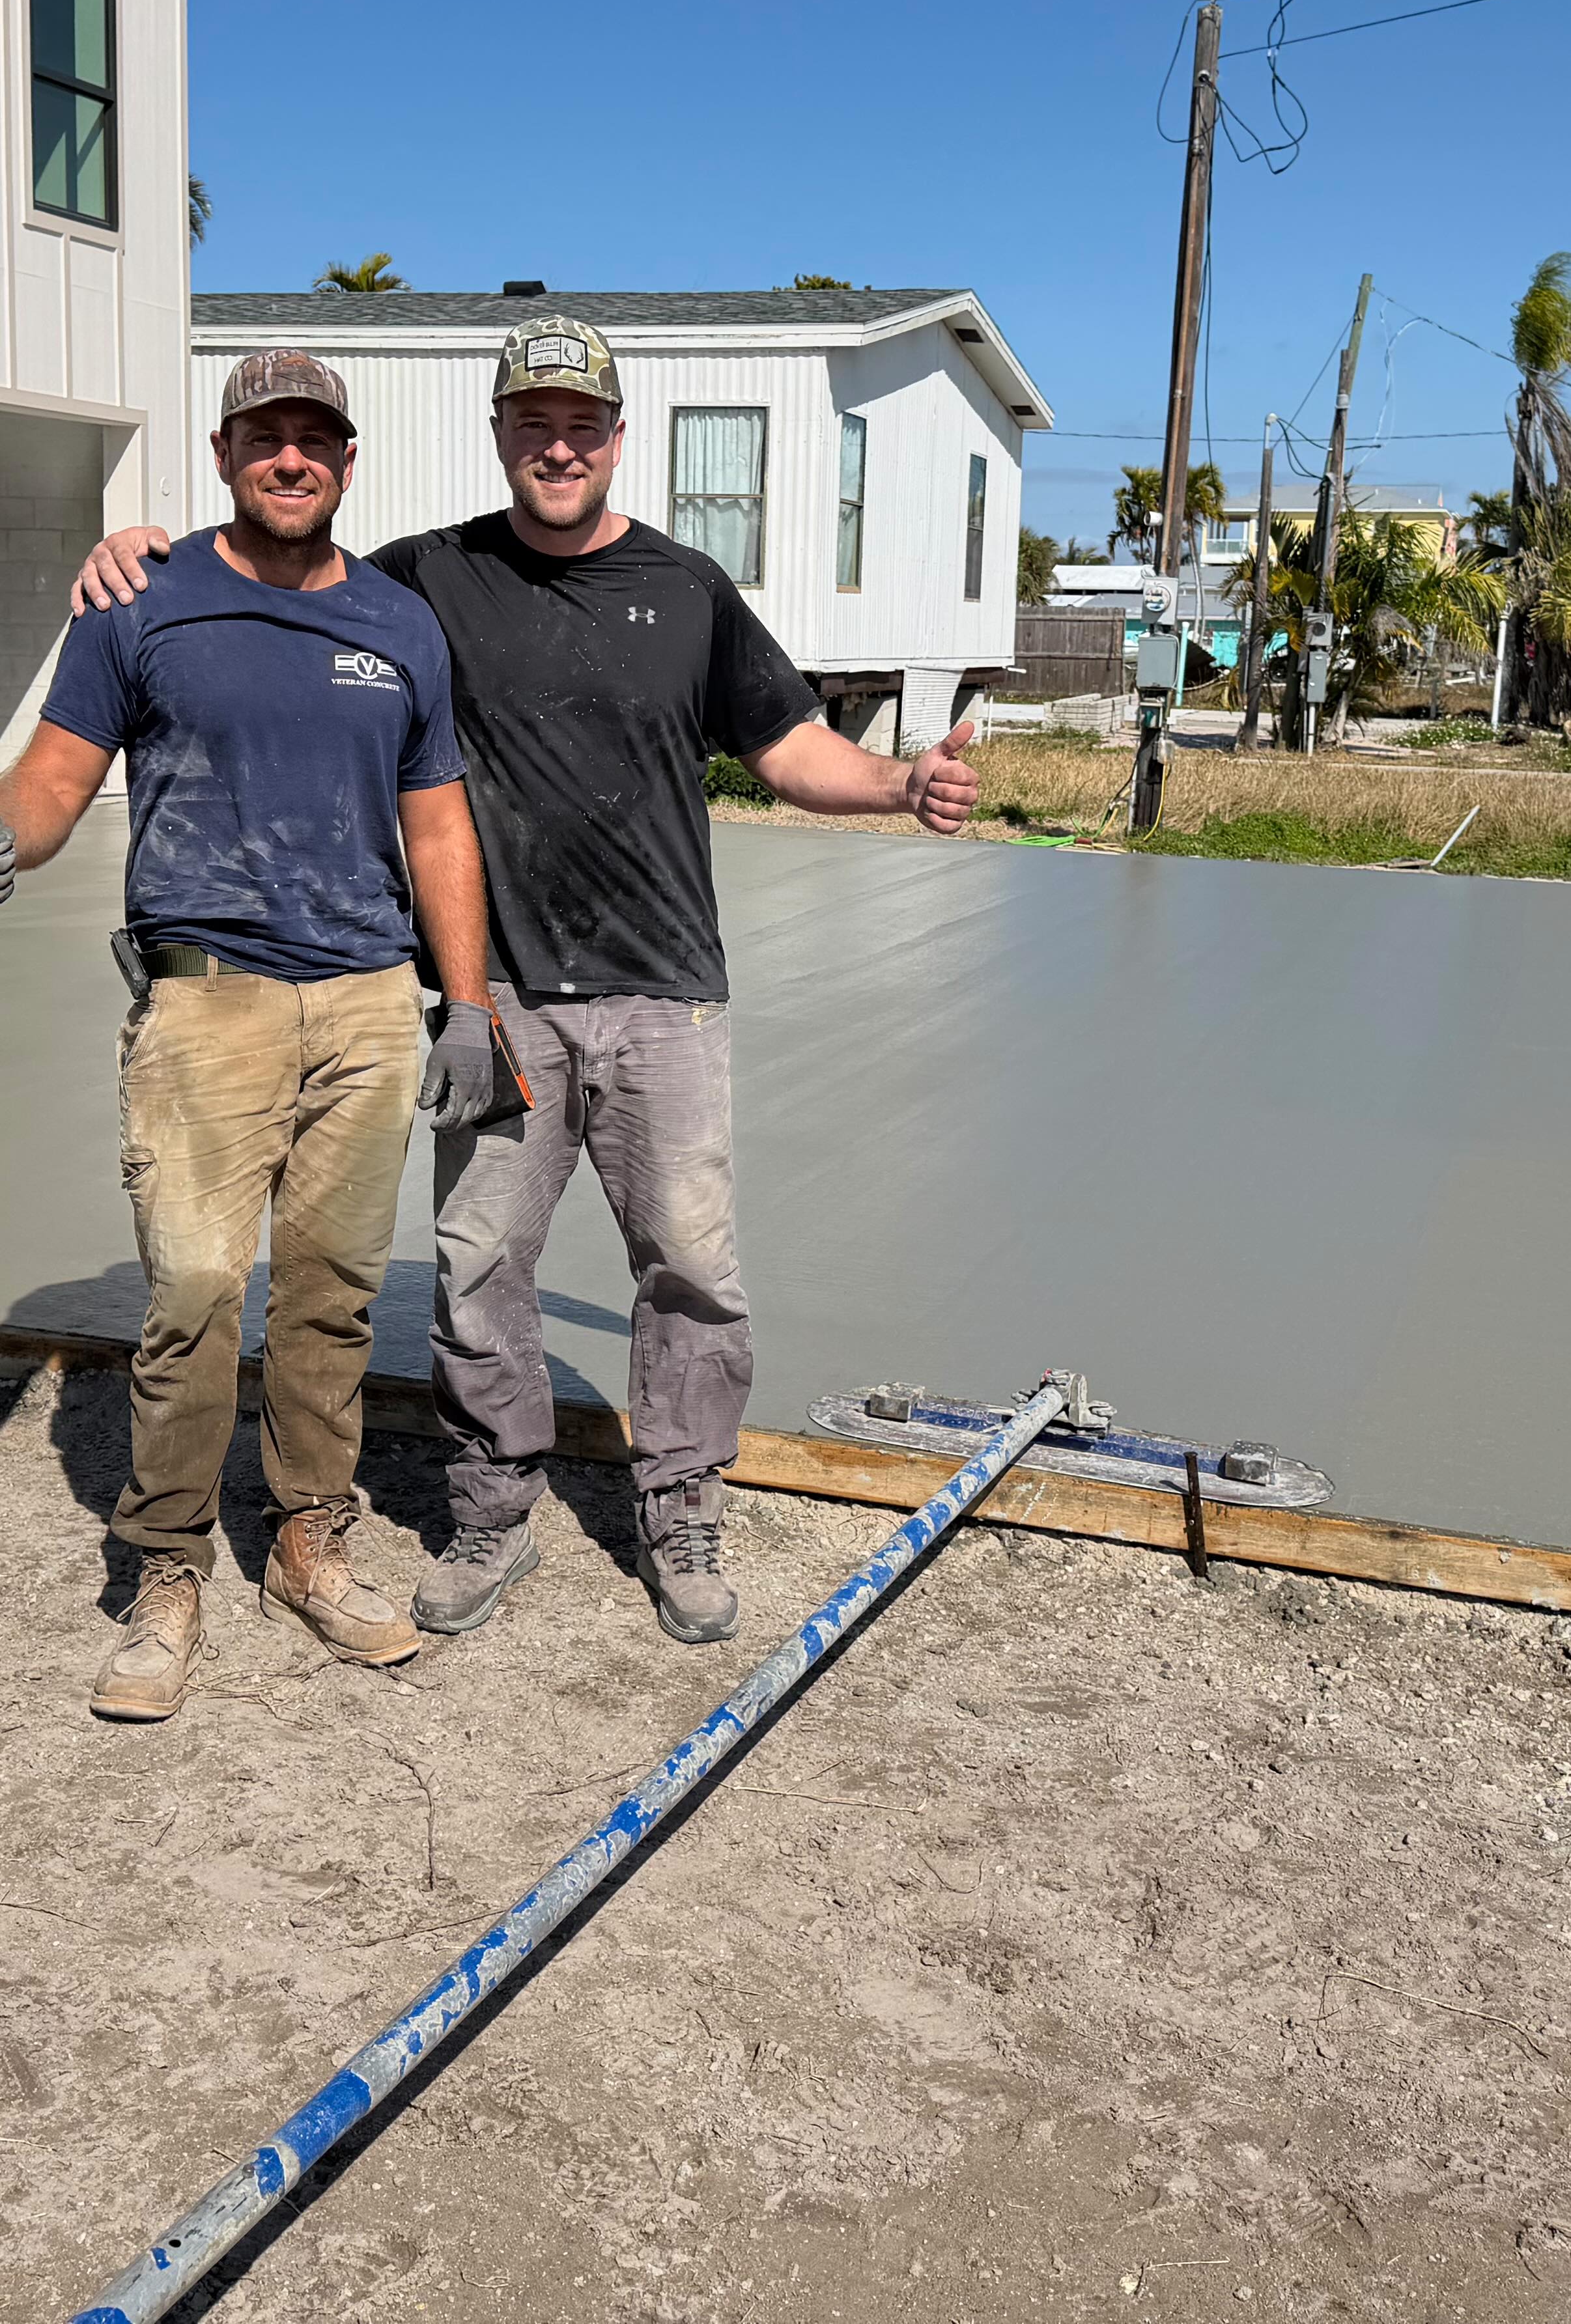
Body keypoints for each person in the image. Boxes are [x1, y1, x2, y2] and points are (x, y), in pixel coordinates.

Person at [71, 316, 982, 1647]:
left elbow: (785, 746)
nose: (558, 445)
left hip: (665, 991)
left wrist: (902, 782)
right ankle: (493, 1504)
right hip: (493, 1001)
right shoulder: (428, 581)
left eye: (583, 424)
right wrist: (135, 547)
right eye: (532, 423)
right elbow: (279, 573)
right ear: (501, 435)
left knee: (689, 1260)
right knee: (483, 1261)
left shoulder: (688, 591)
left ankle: (678, 1503)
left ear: (617, 437)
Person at [5, 349, 498, 1722]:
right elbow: (56, 774)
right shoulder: (141, 599)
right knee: (198, 1295)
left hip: (365, 999)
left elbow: (437, 818)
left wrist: (468, 1000)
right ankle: (165, 1569)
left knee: (333, 1294)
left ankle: (307, 1542)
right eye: (265, 438)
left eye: (316, 440)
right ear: (224, 457)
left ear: (348, 462)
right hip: (203, 1001)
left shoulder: (401, 625)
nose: (293, 459)